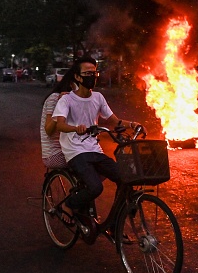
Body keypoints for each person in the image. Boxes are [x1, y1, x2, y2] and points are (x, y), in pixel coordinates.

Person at [52, 56, 144, 222]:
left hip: (94, 149)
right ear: (77, 77)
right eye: (87, 73)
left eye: (94, 73)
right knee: (95, 187)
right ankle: (69, 205)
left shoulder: (98, 98)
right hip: (75, 152)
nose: (92, 77)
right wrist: (75, 128)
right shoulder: (66, 100)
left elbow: (114, 121)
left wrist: (132, 124)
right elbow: (60, 125)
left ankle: (115, 224)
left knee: (126, 179)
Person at [40, 70, 75, 169]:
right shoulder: (54, 98)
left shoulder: (74, 100)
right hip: (54, 154)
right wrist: (59, 107)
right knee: (85, 164)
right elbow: (48, 130)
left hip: (68, 148)